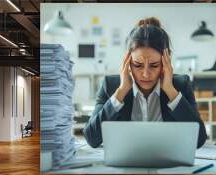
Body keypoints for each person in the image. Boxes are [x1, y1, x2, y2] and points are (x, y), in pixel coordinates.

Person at [83, 17, 207, 148]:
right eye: (137, 65)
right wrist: (121, 92)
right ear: (128, 61)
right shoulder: (111, 85)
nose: (146, 74)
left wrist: (171, 91)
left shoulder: (181, 85)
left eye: (154, 65)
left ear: (166, 62)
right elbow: (92, 138)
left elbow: (199, 140)